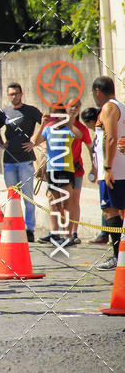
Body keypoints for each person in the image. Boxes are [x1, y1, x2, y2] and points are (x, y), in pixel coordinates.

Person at [0, 82, 42, 242]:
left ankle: (29, 230)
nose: (14, 96)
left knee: (28, 197)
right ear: (8, 96)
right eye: (11, 94)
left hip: (25, 161)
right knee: (12, 196)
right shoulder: (5, 112)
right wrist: (1, 143)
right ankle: (14, 226)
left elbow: (46, 122)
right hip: (8, 160)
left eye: (16, 93)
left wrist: (34, 141)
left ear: (21, 94)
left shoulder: (30, 111)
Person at [33, 106, 82, 247]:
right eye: (55, 115)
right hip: (52, 170)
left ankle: (68, 236)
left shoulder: (68, 130)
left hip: (66, 170)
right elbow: (35, 141)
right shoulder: (48, 129)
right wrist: (42, 123)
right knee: (55, 203)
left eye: (60, 115)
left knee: (68, 203)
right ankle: (57, 234)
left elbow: (79, 135)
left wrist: (69, 121)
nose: (57, 118)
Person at [92, 76, 125, 270]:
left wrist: (107, 168)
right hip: (117, 168)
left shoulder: (109, 107)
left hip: (115, 170)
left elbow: (111, 137)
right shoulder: (120, 106)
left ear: (98, 91)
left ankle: (116, 256)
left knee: (110, 210)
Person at [65, 100, 93, 245]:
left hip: (76, 169)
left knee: (74, 200)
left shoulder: (81, 128)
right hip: (61, 169)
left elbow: (90, 148)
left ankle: (73, 232)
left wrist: (94, 167)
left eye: (77, 106)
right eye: (71, 106)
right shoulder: (59, 125)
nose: (74, 109)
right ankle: (63, 232)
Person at [81, 106, 107, 244]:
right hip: (102, 173)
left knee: (107, 206)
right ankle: (105, 233)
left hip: (108, 174)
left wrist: (105, 171)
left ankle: (105, 234)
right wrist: (95, 169)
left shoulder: (104, 130)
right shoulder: (99, 131)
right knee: (105, 205)